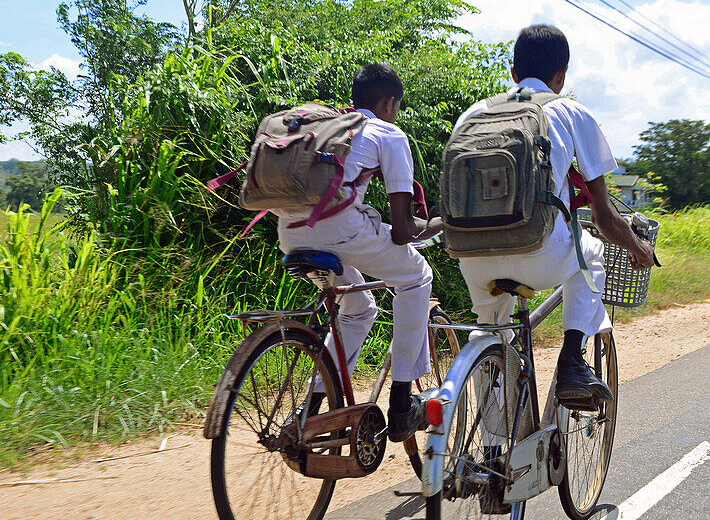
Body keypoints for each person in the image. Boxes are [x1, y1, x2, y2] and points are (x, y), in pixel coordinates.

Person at [453, 24, 654, 405]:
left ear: (513, 73)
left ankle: (491, 454)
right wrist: (638, 247)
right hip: (538, 256)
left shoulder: (474, 114)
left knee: (490, 337)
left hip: (473, 260)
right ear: (560, 76)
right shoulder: (571, 112)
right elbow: (603, 219)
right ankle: (572, 363)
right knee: (591, 255)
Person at [276, 63, 442, 440]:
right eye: (396, 107)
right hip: (342, 232)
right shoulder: (388, 133)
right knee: (417, 277)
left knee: (358, 308)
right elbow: (402, 231)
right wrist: (437, 224)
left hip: (291, 233)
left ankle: (311, 411)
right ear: (388, 103)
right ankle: (401, 403)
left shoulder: (330, 127)